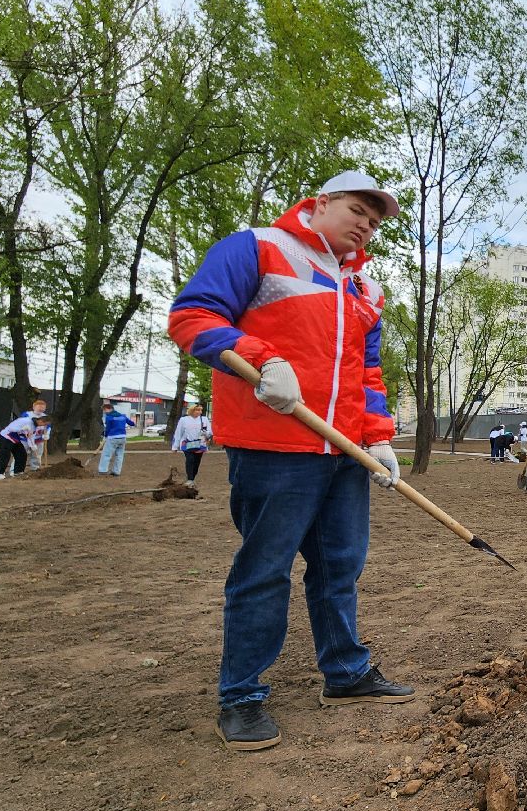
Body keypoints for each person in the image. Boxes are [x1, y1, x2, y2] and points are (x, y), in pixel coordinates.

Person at [168, 170, 413, 752]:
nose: (365, 225)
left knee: (340, 569)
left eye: (375, 221)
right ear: (321, 202)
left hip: (345, 452)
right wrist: (255, 359)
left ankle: (346, 673)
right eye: (358, 210)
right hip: (276, 449)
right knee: (265, 570)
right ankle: (243, 696)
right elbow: (193, 316)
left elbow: (368, 374)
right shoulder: (258, 248)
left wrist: (377, 437)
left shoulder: (366, 291)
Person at [0, 413, 50, 479]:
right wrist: (22, 429)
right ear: (41, 421)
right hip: (7, 437)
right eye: (45, 424)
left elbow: (30, 437)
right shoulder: (25, 421)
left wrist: (33, 446)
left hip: (15, 439)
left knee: (22, 454)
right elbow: (11, 427)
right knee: (5, 455)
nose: (44, 426)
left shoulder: (34, 427)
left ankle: (18, 472)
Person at [171, 403, 213, 487]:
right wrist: (175, 446)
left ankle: (192, 478)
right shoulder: (184, 420)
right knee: (190, 460)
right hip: (187, 444)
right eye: (197, 410)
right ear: (192, 410)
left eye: (201, 410)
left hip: (200, 444)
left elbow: (210, 432)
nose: (200, 412)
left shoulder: (204, 419)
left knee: (196, 462)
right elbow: (178, 433)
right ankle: (190, 479)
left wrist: (207, 434)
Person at [98, 403, 135, 477]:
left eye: (105, 410)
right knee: (119, 455)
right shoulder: (122, 416)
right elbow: (132, 424)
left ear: (109, 409)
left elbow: (108, 428)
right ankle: (116, 472)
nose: (104, 412)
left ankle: (103, 470)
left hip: (112, 438)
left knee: (106, 454)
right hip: (123, 438)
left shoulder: (109, 417)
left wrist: (105, 436)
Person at [22, 399, 49, 470]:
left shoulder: (45, 416)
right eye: (39, 407)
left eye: (42, 408)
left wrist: (46, 434)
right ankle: (16, 470)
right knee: (21, 454)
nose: (41, 409)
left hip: (38, 439)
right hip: (25, 439)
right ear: (34, 407)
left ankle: (35, 468)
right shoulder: (27, 415)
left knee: (37, 455)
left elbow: (48, 427)